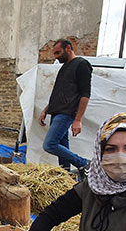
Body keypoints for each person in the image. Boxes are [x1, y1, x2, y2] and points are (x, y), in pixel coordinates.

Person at [39, 39, 92, 173]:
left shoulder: (81, 64)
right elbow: (58, 93)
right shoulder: (64, 68)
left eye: (58, 53)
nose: (56, 57)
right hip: (56, 112)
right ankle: (66, 175)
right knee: (62, 147)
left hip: (67, 113)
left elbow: (85, 94)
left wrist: (78, 119)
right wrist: (45, 110)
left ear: (68, 48)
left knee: (50, 144)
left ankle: (84, 163)